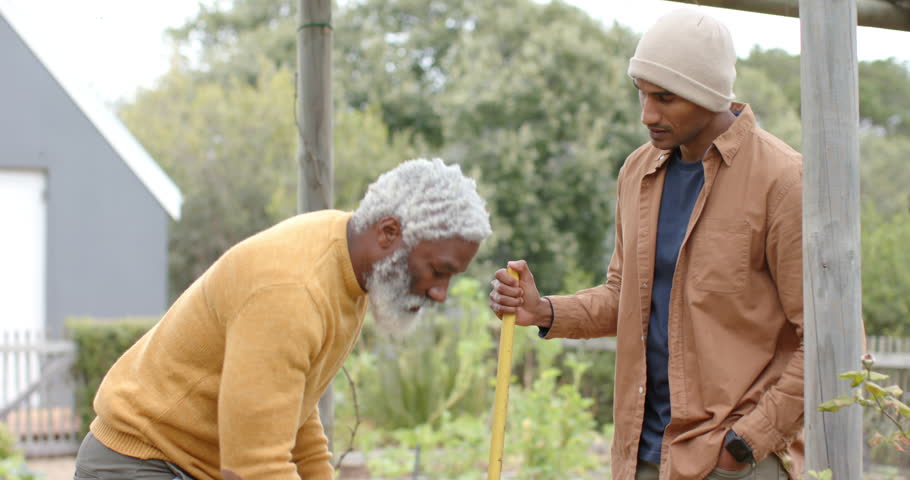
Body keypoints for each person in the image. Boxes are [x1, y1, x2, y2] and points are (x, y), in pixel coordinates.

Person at [489, 9, 803, 480]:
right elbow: (625, 297)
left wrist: (746, 443)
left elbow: (825, 339)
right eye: (641, 92)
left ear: (708, 95)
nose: (647, 114)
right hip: (642, 456)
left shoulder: (782, 180)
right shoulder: (638, 172)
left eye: (665, 98)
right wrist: (545, 311)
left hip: (733, 463)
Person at [74, 158, 492, 480]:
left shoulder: (350, 268)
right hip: (142, 463)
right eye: (438, 271)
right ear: (388, 232)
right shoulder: (292, 289)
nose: (440, 293)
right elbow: (254, 468)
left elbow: (292, 411)